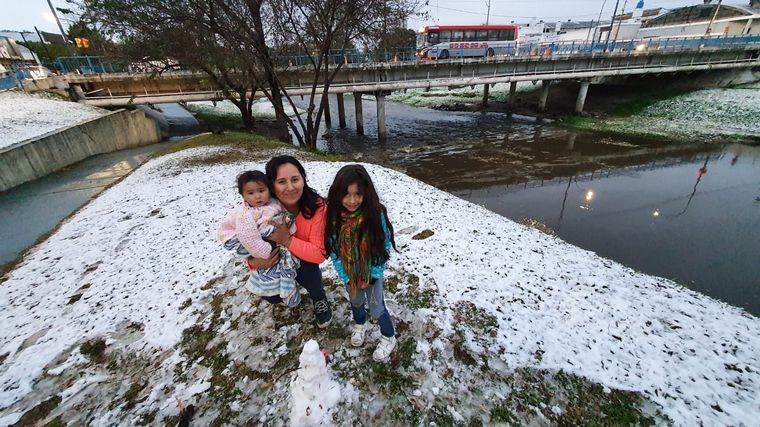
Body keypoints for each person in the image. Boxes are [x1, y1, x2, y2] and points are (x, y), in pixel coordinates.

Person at [248, 156, 333, 328]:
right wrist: (253, 262)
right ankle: (288, 289)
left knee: (309, 272)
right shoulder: (261, 210)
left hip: (304, 261)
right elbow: (247, 242)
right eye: (281, 182)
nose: (290, 187)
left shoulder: (317, 208)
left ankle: (319, 297)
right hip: (275, 261)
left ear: (303, 179)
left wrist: (287, 240)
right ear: (271, 185)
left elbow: (319, 254)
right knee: (272, 296)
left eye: (295, 179)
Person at [324, 164, 398, 362]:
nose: (352, 201)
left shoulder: (374, 214)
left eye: (358, 194)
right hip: (350, 272)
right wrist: (345, 275)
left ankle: (389, 336)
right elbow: (335, 251)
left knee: (376, 307)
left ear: (366, 192)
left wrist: (374, 275)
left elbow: (384, 245)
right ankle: (360, 324)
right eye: (346, 195)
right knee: (355, 300)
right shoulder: (334, 218)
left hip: (372, 272)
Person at [218, 171, 301, 306]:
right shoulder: (245, 214)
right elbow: (248, 237)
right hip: (264, 250)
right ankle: (278, 293)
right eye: (251, 193)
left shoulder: (274, 203)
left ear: (269, 189)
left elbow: (285, 215)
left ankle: (287, 289)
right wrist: (265, 250)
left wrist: (288, 226)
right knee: (271, 277)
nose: (258, 196)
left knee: (285, 271)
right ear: (243, 196)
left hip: (281, 241)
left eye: (261, 190)